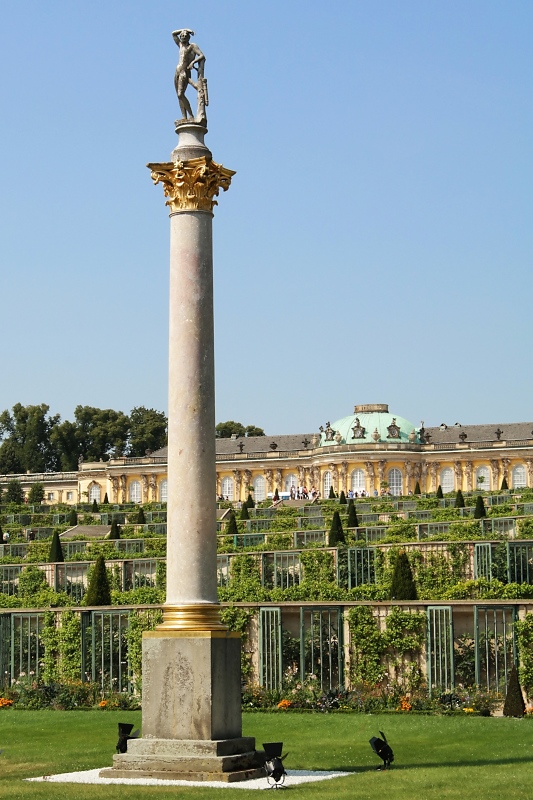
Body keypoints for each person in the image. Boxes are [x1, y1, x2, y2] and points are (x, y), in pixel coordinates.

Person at [172, 29, 206, 122]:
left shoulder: (192, 46)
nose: (182, 37)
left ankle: (190, 115)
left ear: (188, 37)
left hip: (184, 71)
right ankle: (184, 117)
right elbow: (173, 34)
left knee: (180, 94)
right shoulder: (181, 45)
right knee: (179, 96)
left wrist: (193, 62)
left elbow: (202, 55)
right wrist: (185, 29)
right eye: (181, 35)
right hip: (177, 71)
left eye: (184, 35)